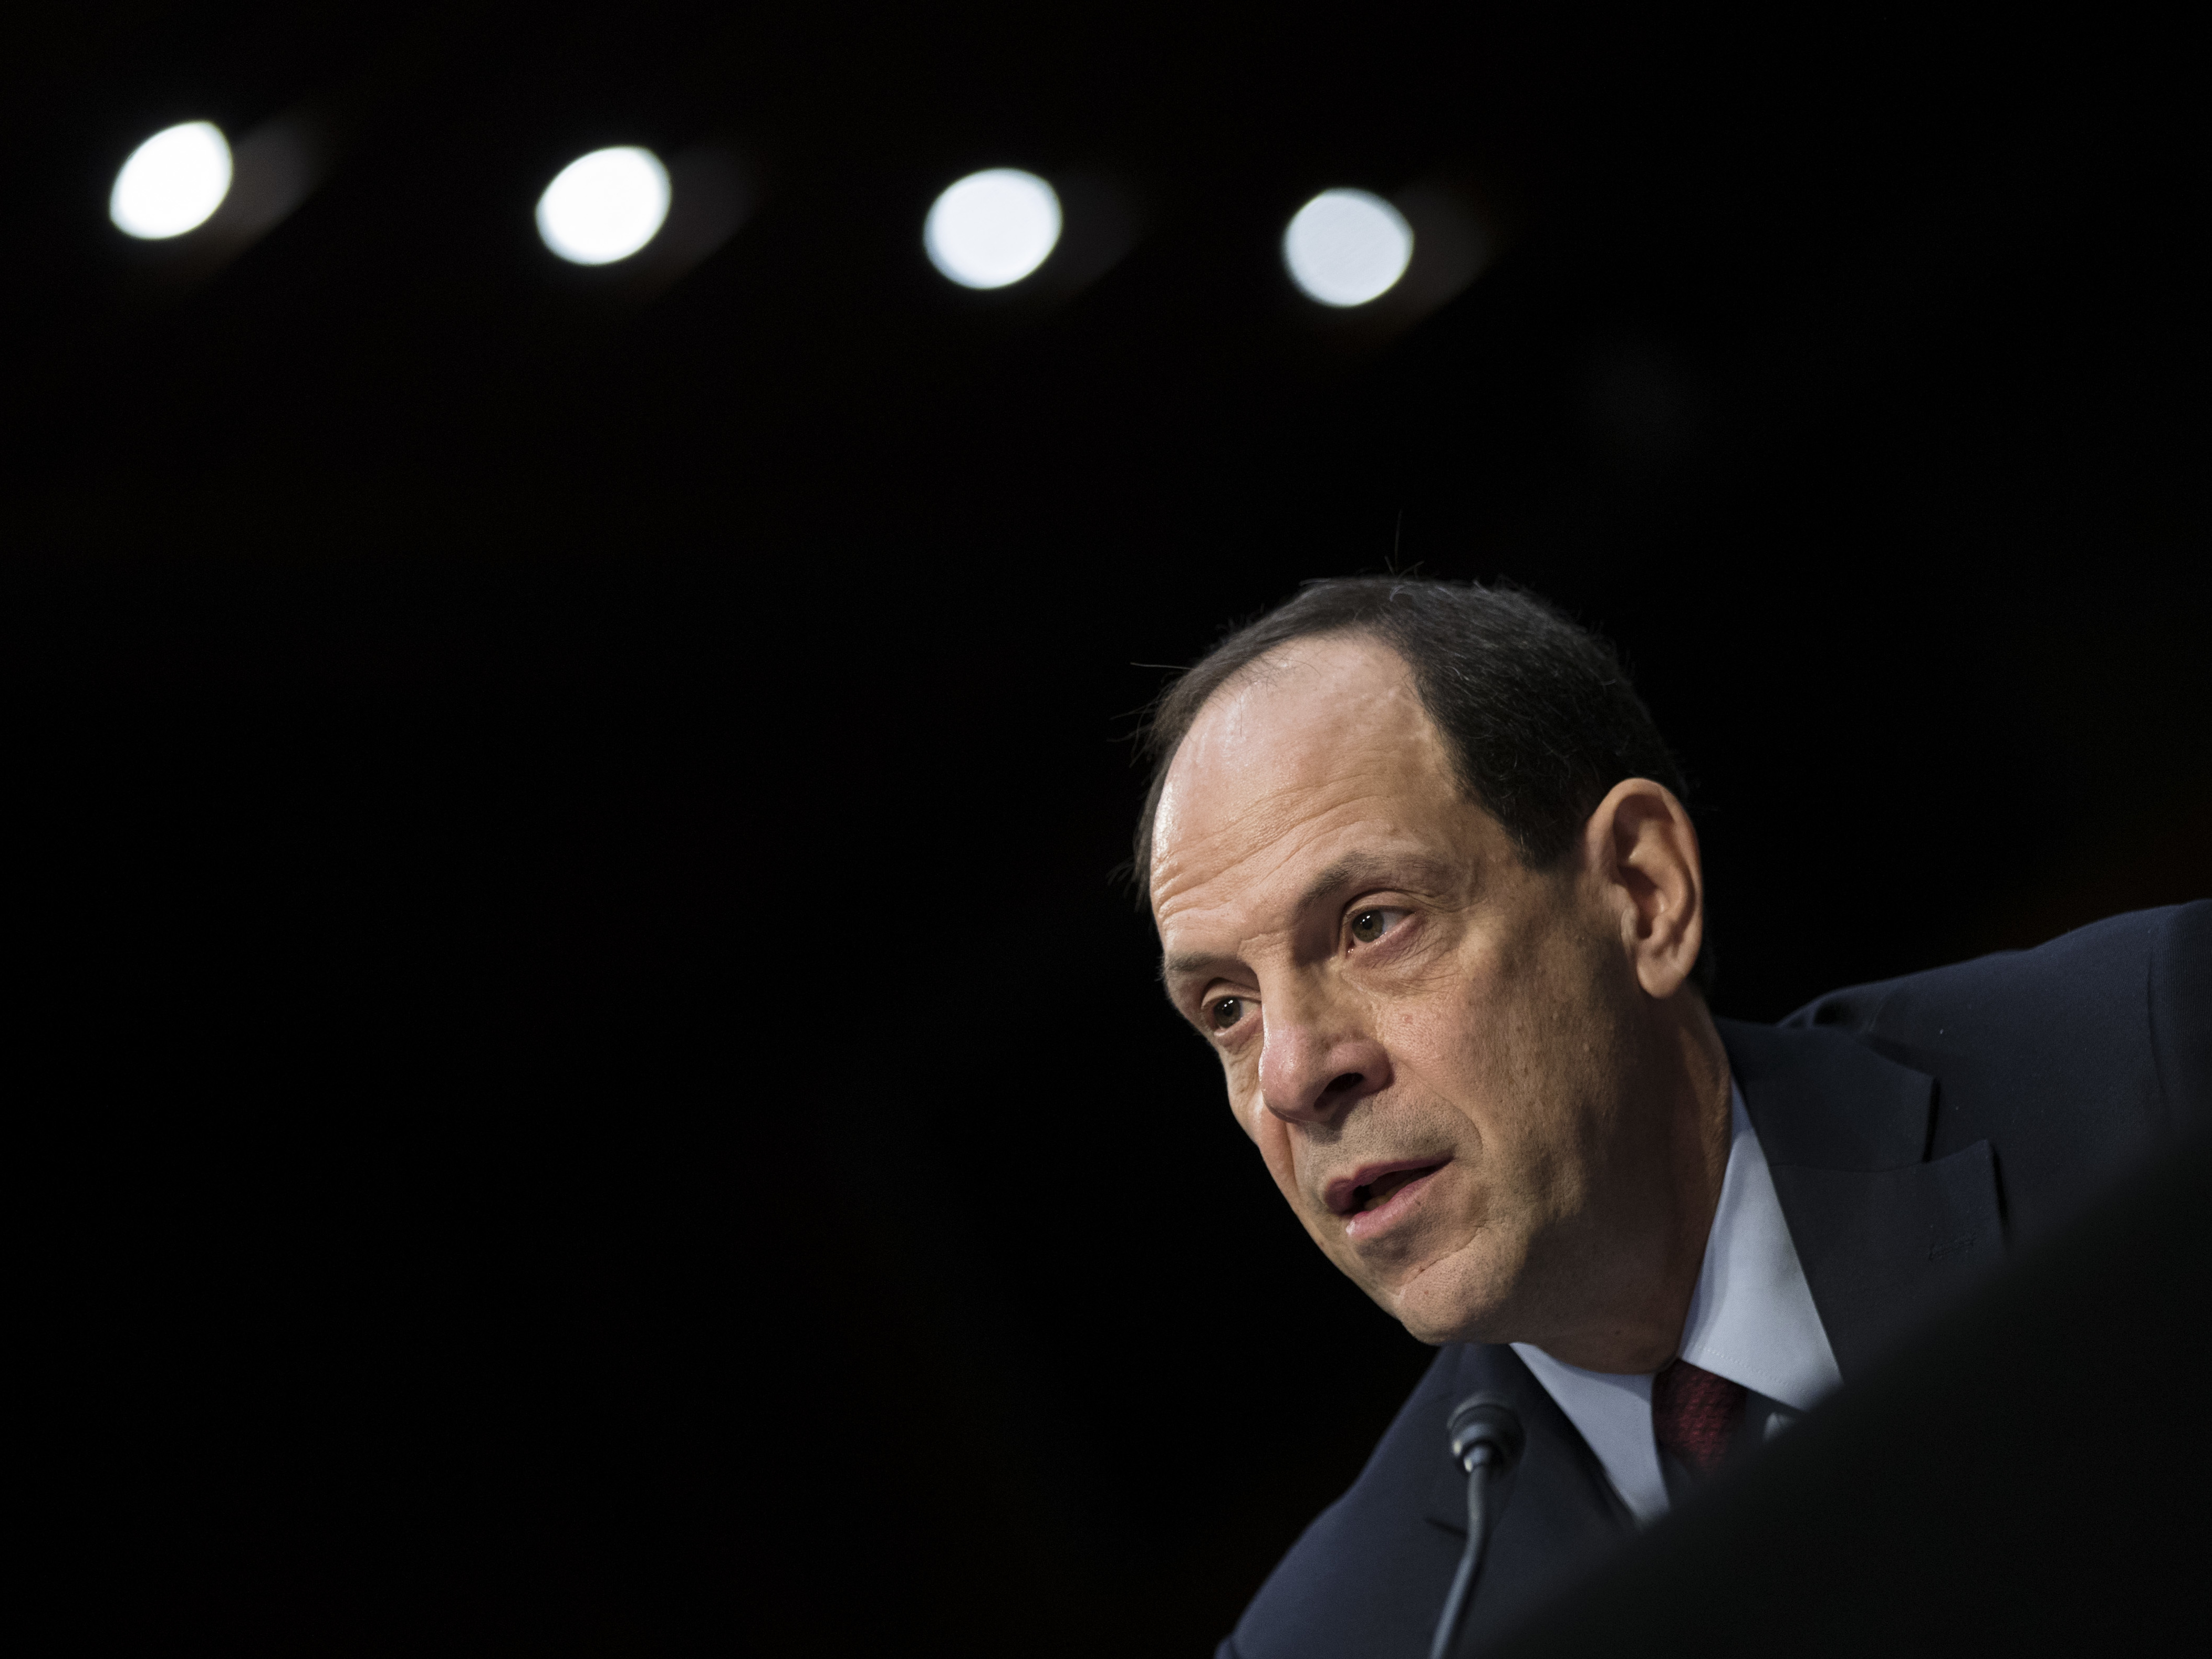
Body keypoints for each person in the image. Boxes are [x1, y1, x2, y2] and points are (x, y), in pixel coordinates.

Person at [1135, 576, 2210, 1658]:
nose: (1291, 1072)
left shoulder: (2156, 1070)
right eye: (1228, 1007)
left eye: (1373, 923)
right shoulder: (1345, 1638)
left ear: (1643, 894)